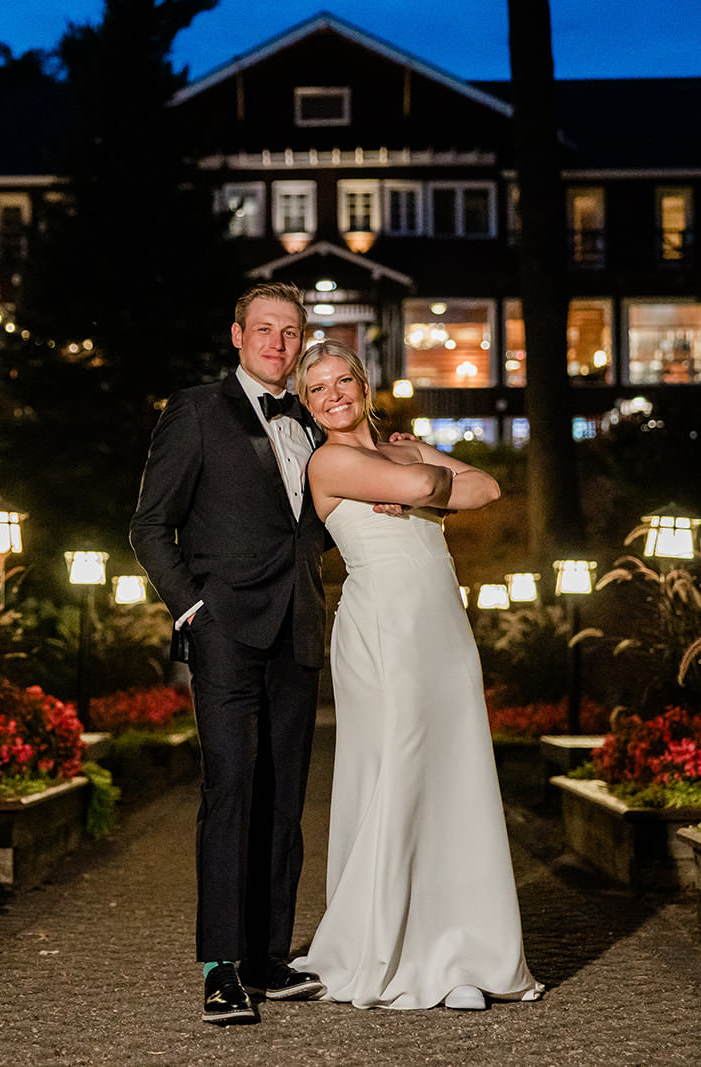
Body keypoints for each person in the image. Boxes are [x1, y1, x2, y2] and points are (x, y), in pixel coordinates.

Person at [289, 340, 545, 1011]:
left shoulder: (398, 445)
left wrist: (423, 475)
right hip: (384, 627)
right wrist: (423, 473)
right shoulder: (329, 459)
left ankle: (459, 951)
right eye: (318, 388)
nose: (334, 394)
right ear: (307, 403)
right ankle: (390, 948)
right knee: (399, 776)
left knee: (455, 775)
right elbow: (431, 485)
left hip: (442, 624)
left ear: (365, 384)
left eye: (344, 379)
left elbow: (488, 486)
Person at [129, 281, 331, 1026]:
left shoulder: (312, 422)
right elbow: (149, 526)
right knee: (231, 793)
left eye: (290, 332)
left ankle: (269, 959)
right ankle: (220, 967)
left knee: (285, 802)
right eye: (265, 330)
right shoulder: (194, 411)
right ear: (238, 334)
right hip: (224, 633)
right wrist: (193, 610)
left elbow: (312, 528)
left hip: (299, 631)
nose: (278, 344)